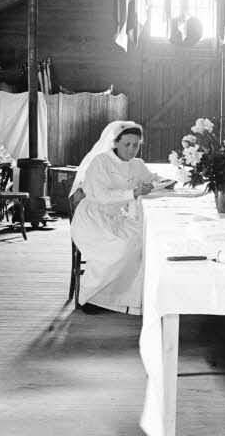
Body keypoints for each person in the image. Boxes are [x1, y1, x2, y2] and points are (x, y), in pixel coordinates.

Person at [69, 120, 166, 315]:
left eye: (136, 145)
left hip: (117, 217)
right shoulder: (101, 162)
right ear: (115, 143)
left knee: (144, 241)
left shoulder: (137, 164)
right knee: (120, 247)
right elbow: (99, 195)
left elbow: (151, 178)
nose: (131, 150)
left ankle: (121, 300)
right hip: (93, 218)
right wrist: (133, 192)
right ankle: (91, 298)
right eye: (127, 144)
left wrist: (164, 182)